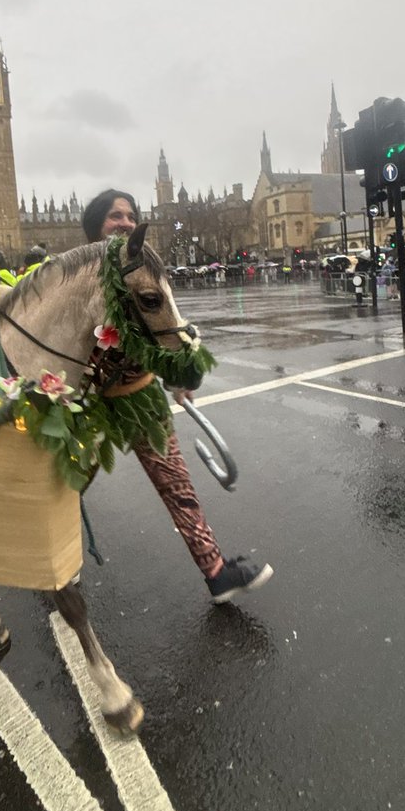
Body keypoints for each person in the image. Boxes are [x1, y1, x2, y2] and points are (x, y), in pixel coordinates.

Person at [82, 189, 273, 603]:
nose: (126, 222)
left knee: (178, 488)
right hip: (85, 403)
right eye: (115, 215)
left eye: (131, 215)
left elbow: (162, 327)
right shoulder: (76, 277)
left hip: (138, 394)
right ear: (95, 224)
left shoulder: (141, 270)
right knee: (65, 483)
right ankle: (49, 562)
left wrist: (176, 374)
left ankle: (217, 572)